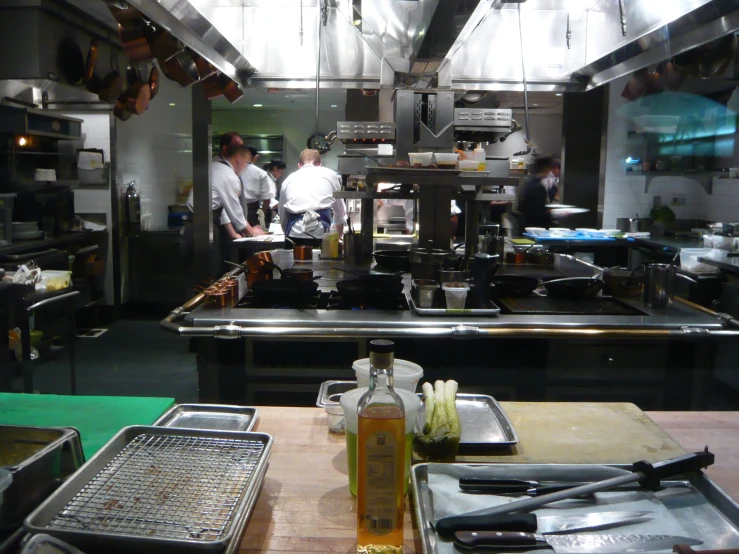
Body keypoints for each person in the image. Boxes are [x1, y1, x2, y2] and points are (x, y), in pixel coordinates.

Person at [278, 149, 346, 242]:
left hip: (293, 234)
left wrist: (286, 233)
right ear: (319, 164)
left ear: (299, 165)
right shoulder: (330, 174)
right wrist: (339, 236)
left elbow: (282, 214)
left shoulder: (288, 180)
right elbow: (340, 212)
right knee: (321, 257)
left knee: (293, 257)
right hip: (321, 232)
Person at [518, 155, 560, 229]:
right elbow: (536, 214)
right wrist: (557, 214)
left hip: (527, 226)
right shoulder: (537, 186)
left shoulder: (531, 182)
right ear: (546, 168)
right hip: (534, 228)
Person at [240, 146, 272, 229]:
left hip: (234, 208)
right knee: (253, 238)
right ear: (255, 157)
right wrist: (262, 212)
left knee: (237, 238)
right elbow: (267, 198)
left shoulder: (233, 170)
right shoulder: (261, 173)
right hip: (253, 210)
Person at [264, 159, 286, 228]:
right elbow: (268, 198)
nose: (281, 175)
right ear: (275, 168)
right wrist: (281, 205)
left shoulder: (271, 180)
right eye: (281, 173)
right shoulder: (266, 179)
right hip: (265, 210)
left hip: (269, 209)